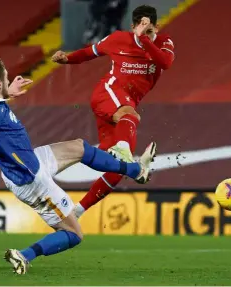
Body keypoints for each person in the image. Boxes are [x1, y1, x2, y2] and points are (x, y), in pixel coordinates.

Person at [0, 59, 156, 274]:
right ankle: (24, 255)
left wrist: (6, 94)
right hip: (31, 179)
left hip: (32, 160)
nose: (9, 80)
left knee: (79, 148)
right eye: (6, 78)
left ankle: (136, 171)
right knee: (74, 234)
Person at [52, 5, 175, 218]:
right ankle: (126, 152)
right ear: (133, 26)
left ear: (157, 26)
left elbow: (165, 63)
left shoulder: (164, 42)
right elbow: (89, 52)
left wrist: (145, 39)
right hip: (108, 93)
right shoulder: (118, 38)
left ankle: (76, 212)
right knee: (130, 116)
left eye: (150, 29)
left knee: (116, 169)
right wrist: (67, 59)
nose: (146, 33)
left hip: (122, 106)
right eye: (141, 28)